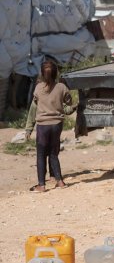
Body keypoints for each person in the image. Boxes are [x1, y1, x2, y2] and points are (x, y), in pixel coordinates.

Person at [29, 60, 72, 193]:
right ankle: (60, 181)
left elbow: (33, 109)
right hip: (56, 125)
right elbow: (68, 106)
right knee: (54, 153)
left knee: (41, 154)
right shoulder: (61, 87)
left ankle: (41, 185)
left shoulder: (37, 88)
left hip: (43, 126)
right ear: (56, 73)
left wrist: (28, 129)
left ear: (42, 73)